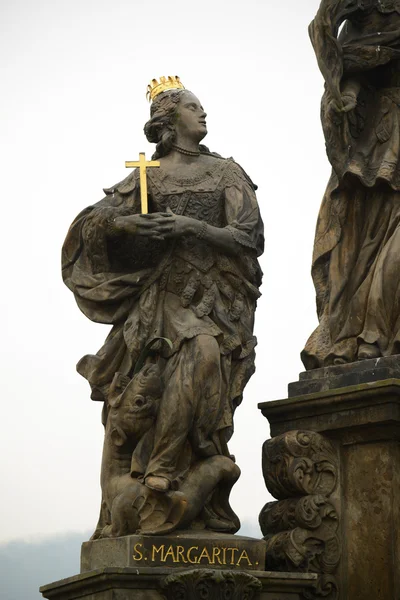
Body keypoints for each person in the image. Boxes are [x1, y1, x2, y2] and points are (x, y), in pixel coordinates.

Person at [62, 78, 263, 531]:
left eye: (202, 108)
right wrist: (130, 228)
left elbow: (249, 235)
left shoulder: (226, 173)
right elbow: (95, 223)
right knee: (150, 390)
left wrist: (192, 228)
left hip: (216, 297)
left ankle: (170, 472)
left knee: (206, 359)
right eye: (194, 108)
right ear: (170, 122)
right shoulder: (147, 175)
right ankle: (156, 473)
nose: (203, 114)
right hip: (160, 298)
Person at [302, 0, 400, 369]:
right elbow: (334, 43)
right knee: (364, 246)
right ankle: (365, 335)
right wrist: (345, 91)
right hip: (382, 140)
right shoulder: (374, 12)